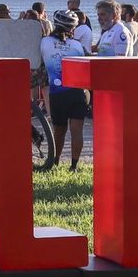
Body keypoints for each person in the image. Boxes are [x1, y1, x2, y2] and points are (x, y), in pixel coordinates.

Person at [41, 10, 89, 169]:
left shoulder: (44, 42)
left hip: (57, 93)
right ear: (73, 29)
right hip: (76, 92)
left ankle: (54, 161)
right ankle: (74, 166)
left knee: (59, 130)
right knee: (77, 131)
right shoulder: (77, 45)